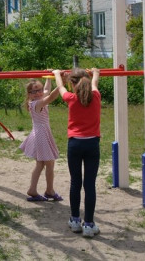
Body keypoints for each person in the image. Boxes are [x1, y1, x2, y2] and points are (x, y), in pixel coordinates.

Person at [53, 68, 102, 238]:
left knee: (75, 182)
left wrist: (57, 74)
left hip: (75, 144)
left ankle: (75, 220)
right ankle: (88, 224)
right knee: (89, 185)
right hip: (92, 144)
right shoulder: (96, 96)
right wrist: (96, 72)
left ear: (73, 84)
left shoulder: (71, 98)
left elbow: (60, 87)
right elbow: (94, 82)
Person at [19, 78, 62, 202]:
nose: (38, 93)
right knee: (49, 163)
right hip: (41, 134)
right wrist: (61, 84)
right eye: (34, 91)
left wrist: (49, 78)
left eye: (39, 90)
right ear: (29, 94)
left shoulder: (36, 100)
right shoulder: (37, 103)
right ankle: (50, 191)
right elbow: (51, 97)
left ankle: (33, 189)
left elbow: (47, 91)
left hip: (40, 133)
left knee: (40, 164)